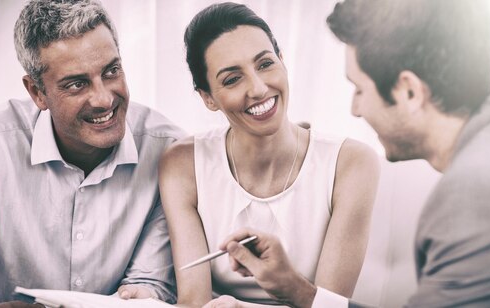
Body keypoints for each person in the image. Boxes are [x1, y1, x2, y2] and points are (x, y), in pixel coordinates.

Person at [218, 0, 490, 307]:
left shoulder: (476, 196)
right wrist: (299, 291)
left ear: (409, 92)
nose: (356, 109)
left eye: (359, 89)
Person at [0, 0, 184, 307]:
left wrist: (143, 295)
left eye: (111, 71)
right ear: (38, 93)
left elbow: (151, 283)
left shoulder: (170, 152)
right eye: (77, 84)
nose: (104, 99)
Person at [158, 2, 379, 307]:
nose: (259, 88)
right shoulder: (181, 164)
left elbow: (331, 305)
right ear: (208, 98)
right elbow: (193, 302)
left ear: (283, 61)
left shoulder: (353, 163)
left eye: (265, 64)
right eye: (232, 79)